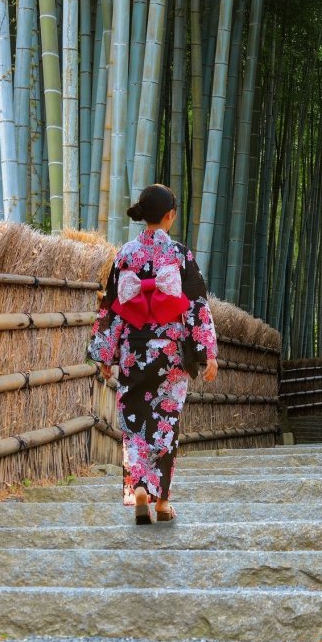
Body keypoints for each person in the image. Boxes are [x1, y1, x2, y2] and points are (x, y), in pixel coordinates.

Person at [88, 184, 218, 525]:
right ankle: (160, 502)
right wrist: (208, 353)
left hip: (134, 350)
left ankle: (139, 488)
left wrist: (105, 354)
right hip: (171, 353)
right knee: (165, 421)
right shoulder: (180, 254)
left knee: (134, 421)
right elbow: (196, 306)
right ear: (170, 215)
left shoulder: (125, 255)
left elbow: (112, 307)